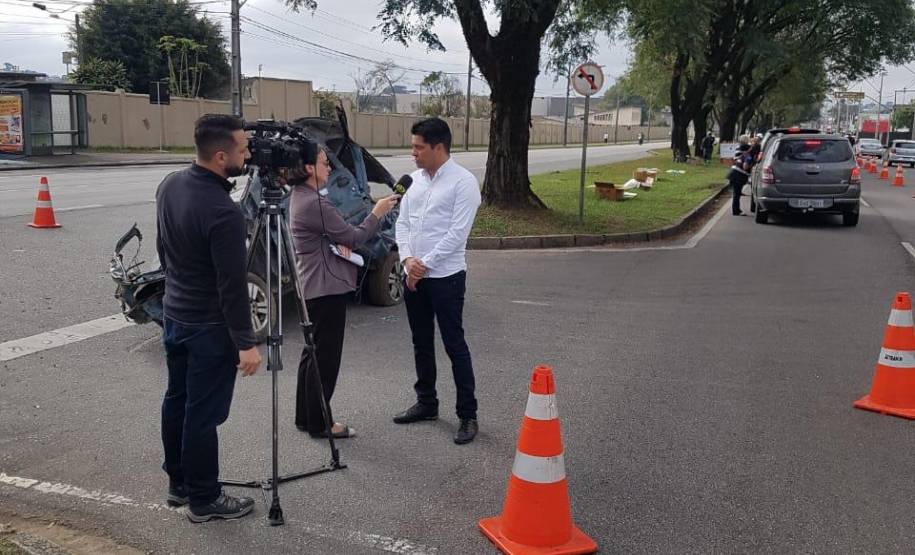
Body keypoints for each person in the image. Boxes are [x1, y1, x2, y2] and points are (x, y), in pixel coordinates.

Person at [156, 114, 262, 523]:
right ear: (221, 156)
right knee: (203, 415)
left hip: (176, 315)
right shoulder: (224, 212)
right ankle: (204, 499)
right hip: (208, 328)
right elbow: (232, 286)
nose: (248, 153)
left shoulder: (170, 184)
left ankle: (179, 483)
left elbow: (166, 251)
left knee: (177, 401)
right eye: (242, 148)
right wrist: (245, 342)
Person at [289, 142, 399, 439]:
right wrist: (376, 212)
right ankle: (321, 423)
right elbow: (354, 237)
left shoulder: (301, 196)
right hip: (326, 288)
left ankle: (307, 416)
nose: (329, 168)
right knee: (324, 358)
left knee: (311, 354)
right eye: (324, 163)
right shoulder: (316, 203)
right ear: (309, 168)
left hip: (313, 285)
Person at [392, 118, 482, 445]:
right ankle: (426, 402)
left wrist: (423, 265)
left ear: (438, 147)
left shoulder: (463, 183)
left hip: (446, 278)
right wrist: (406, 261)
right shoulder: (413, 181)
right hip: (413, 276)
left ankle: (467, 415)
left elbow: (457, 234)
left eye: (418, 147)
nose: (412, 152)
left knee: (453, 344)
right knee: (420, 341)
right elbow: (401, 223)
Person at [726, 135, 752, 216]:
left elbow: (734, 160)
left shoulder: (738, 150)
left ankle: (736, 210)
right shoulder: (747, 156)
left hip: (733, 173)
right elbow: (745, 167)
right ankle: (736, 211)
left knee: (736, 193)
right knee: (736, 194)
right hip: (738, 175)